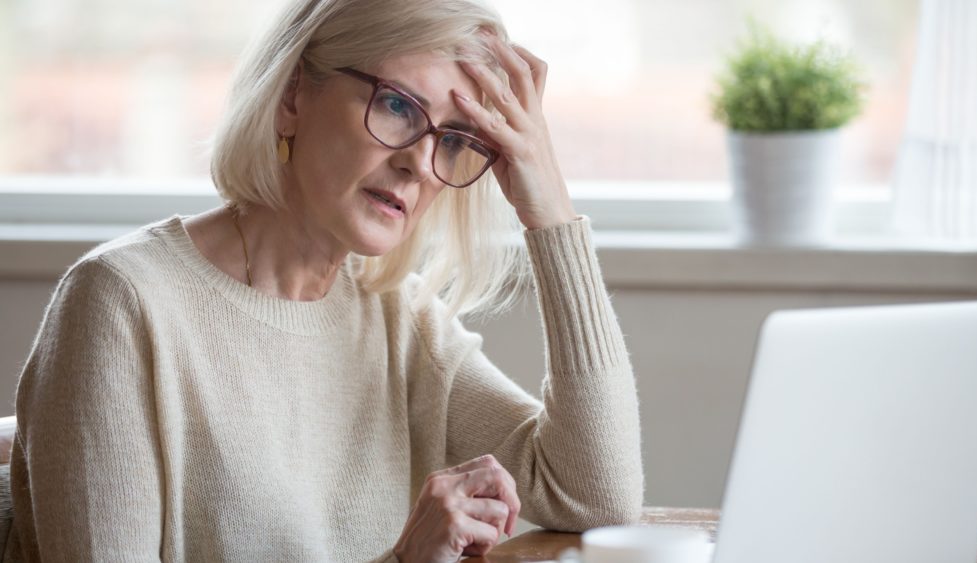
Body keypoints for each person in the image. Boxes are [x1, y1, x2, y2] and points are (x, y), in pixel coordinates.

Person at [8, 0, 643, 560]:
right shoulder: (119, 303)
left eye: (453, 140)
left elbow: (595, 494)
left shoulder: (398, 320)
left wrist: (549, 209)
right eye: (397, 106)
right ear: (292, 97)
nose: (419, 162)